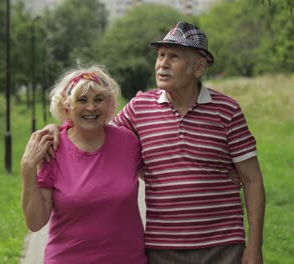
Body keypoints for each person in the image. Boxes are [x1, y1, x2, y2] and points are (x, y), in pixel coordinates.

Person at [43, 21, 266, 264]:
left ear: (199, 66)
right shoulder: (140, 107)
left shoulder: (227, 110)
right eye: (160, 55)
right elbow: (95, 130)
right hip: (162, 248)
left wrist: (254, 246)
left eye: (174, 56)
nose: (163, 64)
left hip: (223, 246)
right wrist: (58, 128)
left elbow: (252, 179)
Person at [21, 66, 148, 263]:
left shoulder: (127, 142)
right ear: (67, 107)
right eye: (82, 100)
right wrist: (28, 167)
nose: (91, 107)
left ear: (109, 104)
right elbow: (36, 222)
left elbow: (160, 175)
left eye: (98, 99)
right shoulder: (53, 149)